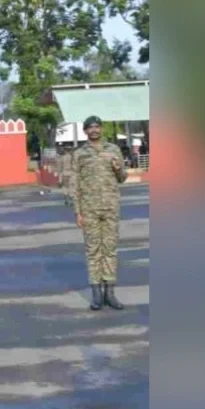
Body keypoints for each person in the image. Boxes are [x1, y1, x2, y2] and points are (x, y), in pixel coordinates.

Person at [73, 115, 127, 310]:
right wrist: (77, 212)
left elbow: (122, 178)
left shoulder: (113, 150)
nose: (94, 130)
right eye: (90, 128)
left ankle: (110, 293)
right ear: (85, 131)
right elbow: (75, 184)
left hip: (111, 207)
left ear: (101, 129)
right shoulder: (79, 154)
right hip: (89, 209)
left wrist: (118, 168)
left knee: (110, 250)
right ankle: (96, 294)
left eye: (97, 127)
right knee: (93, 251)